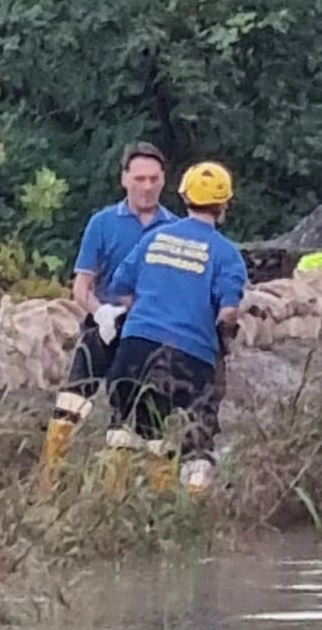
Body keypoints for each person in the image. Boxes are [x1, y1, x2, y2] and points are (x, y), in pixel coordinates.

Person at [36, 142, 179, 491]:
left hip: (150, 331)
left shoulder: (175, 229)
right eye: (140, 178)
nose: (146, 186)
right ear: (124, 179)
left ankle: (131, 496)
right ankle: (48, 484)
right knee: (70, 402)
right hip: (104, 324)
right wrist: (99, 311)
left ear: (164, 181)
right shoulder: (102, 223)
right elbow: (81, 284)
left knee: (144, 417)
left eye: (153, 179)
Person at [102, 160, 249, 493]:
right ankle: (188, 510)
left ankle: (109, 501)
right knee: (197, 438)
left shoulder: (155, 237)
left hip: (135, 347)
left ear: (183, 197)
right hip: (192, 355)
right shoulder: (226, 254)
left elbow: (119, 288)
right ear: (224, 205)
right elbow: (228, 312)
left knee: (126, 431)